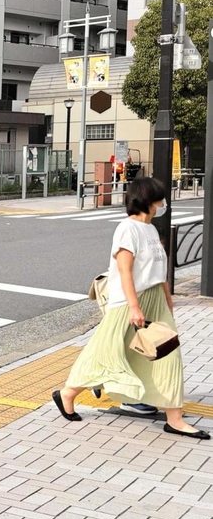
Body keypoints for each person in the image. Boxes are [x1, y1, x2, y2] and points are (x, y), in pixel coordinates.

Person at [54, 176, 209, 440]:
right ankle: (67, 393)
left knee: (168, 355)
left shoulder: (151, 229)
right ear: (146, 200)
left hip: (155, 300)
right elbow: (125, 271)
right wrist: (135, 308)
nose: (163, 203)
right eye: (159, 198)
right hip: (128, 302)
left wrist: (168, 302)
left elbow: (158, 274)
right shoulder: (128, 229)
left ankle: (175, 418)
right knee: (105, 354)